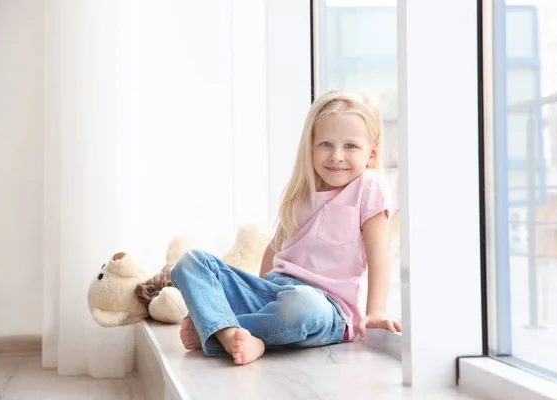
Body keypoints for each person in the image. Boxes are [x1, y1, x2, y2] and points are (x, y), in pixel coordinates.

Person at [170, 90, 401, 365]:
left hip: (325, 307)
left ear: (371, 154)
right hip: (273, 295)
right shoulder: (300, 192)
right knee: (192, 262)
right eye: (326, 144)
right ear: (311, 147)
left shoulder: (368, 187)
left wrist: (375, 310)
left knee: (302, 306)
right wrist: (256, 295)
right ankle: (229, 332)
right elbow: (273, 251)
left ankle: (218, 331)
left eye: (350, 146)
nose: (336, 155)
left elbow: (379, 256)